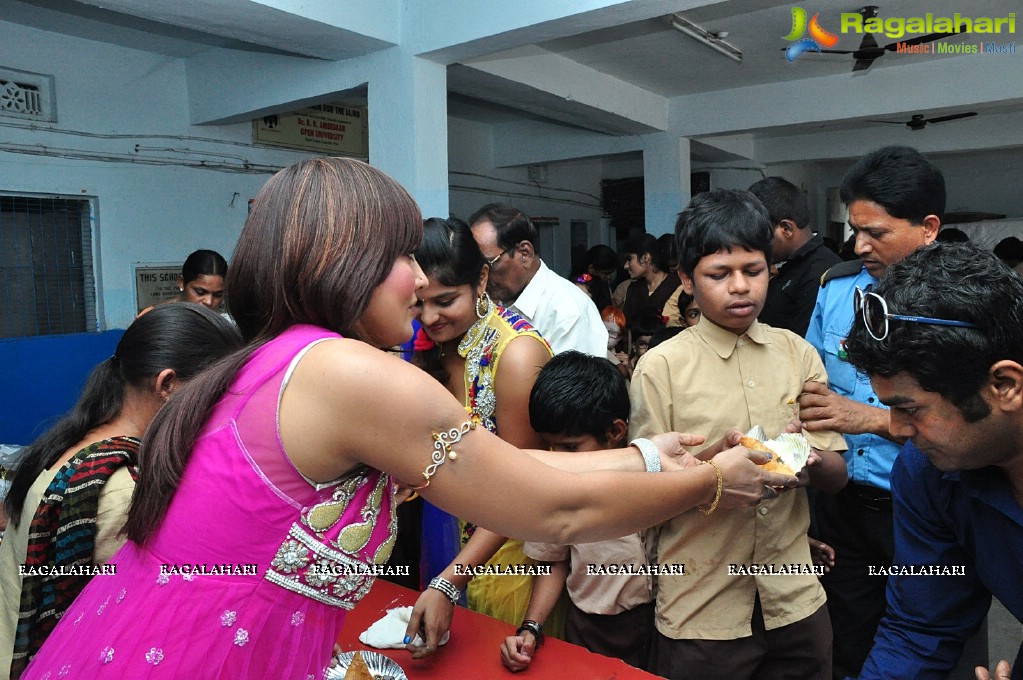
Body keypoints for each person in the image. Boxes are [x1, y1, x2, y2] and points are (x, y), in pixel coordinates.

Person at [22, 158, 793, 679]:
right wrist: (709, 485)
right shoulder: (344, 372)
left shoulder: (275, 360)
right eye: (402, 256)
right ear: (342, 260)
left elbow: (511, 471)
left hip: (146, 641)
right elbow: (546, 502)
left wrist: (650, 459)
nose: (420, 279)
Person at [631, 188, 848, 680]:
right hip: (700, 607)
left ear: (771, 268)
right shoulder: (660, 368)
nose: (739, 288)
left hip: (795, 602)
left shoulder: (798, 355)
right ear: (687, 279)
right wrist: (711, 469)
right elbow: (642, 494)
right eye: (718, 274)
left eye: (753, 271)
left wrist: (810, 462)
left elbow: (838, 475)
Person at [0, 303, 241, 677]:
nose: (220, 413)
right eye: (215, 395)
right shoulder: (116, 489)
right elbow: (150, 624)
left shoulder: (73, 443)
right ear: (168, 385)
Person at [842, 243, 1022, 680]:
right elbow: (922, 627)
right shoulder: (930, 472)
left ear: (1005, 385)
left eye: (911, 409)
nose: (898, 430)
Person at [800, 145, 945, 680]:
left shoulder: (960, 304)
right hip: (841, 501)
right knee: (849, 635)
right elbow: (813, 383)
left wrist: (866, 418)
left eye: (876, 233)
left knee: (930, 635)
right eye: (854, 229)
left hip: (923, 503)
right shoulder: (837, 290)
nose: (859, 245)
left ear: (928, 228)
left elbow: (975, 422)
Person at [410, 217, 557, 632]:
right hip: (438, 534)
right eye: (418, 303)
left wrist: (450, 581)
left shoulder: (516, 355)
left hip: (506, 553)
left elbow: (521, 488)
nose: (429, 318)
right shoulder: (425, 342)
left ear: (482, 278)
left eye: (444, 300)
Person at [501, 351, 656, 672]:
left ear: (615, 432)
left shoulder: (650, 470)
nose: (559, 457)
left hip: (661, 620)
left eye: (570, 447)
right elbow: (552, 562)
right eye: (551, 447)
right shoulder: (557, 491)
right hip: (593, 626)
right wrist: (531, 627)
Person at [469, 204, 607, 356]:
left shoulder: (569, 314)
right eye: (475, 267)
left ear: (525, 253)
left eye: (489, 264)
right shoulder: (489, 300)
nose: (481, 277)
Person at [748, 177, 841, 337]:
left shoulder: (820, 274)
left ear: (786, 229)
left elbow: (802, 346)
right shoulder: (793, 266)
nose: (756, 245)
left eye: (761, 237)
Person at [621, 233, 679, 332]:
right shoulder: (634, 289)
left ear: (645, 258)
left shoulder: (676, 284)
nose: (625, 266)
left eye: (629, 259)